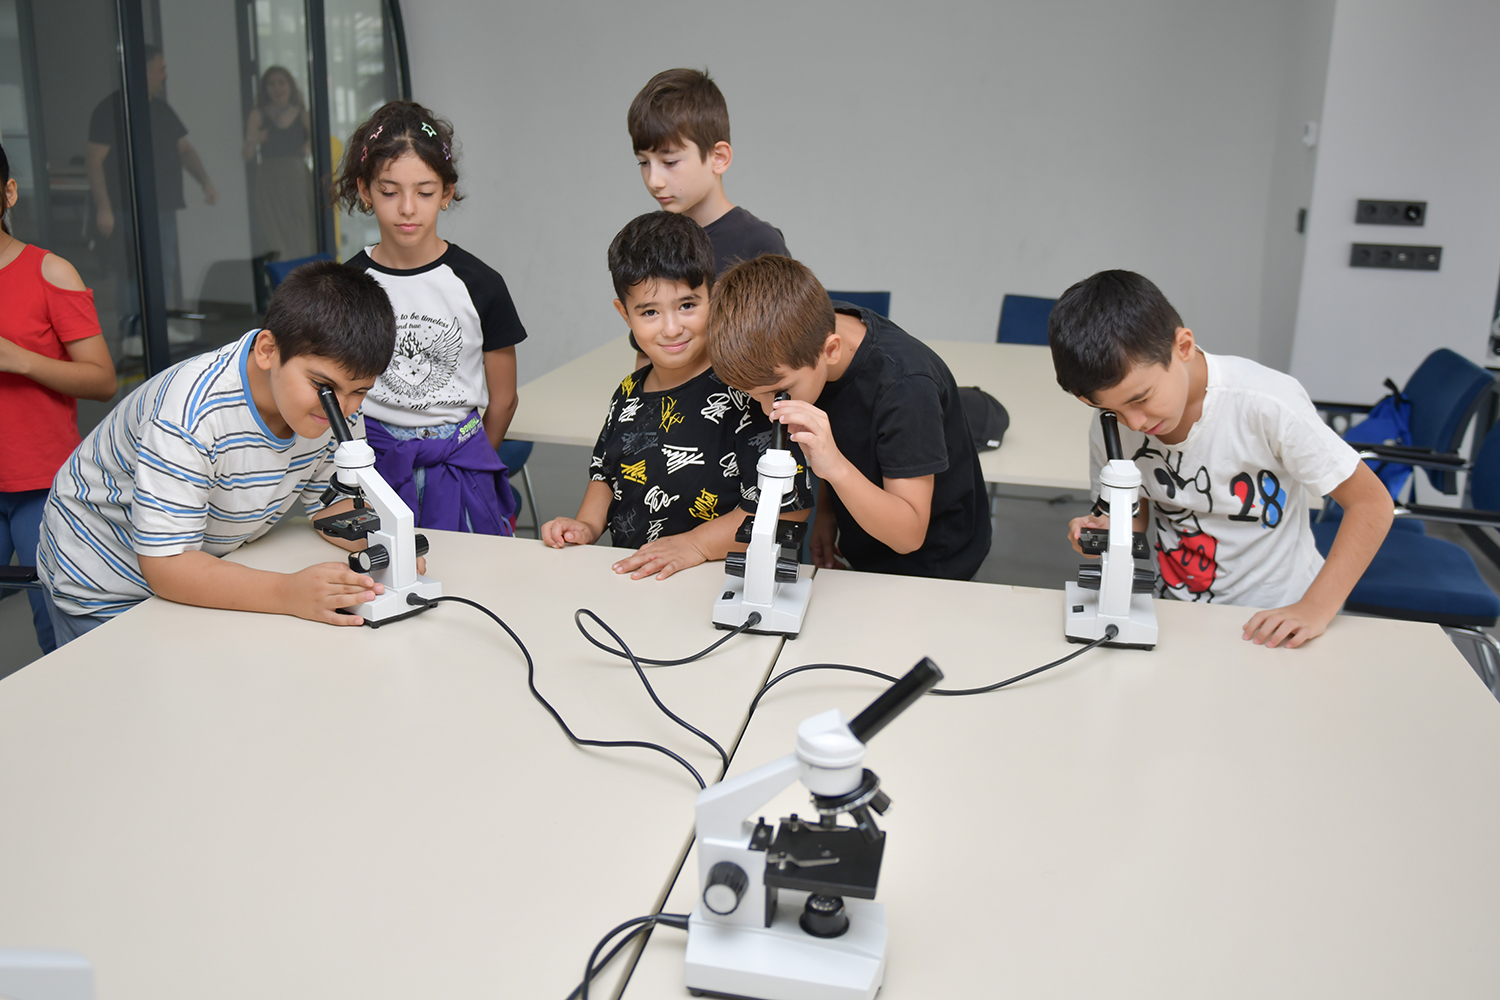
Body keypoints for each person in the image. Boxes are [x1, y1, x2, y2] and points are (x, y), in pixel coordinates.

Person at [36, 261, 401, 647]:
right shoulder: (189, 416)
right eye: (323, 386)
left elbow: (330, 509)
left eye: (360, 391)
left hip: (201, 560)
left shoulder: (335, 401)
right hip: (106, 578)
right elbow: (168, 566)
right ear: (267, 350)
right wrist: (288, 593)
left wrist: (386, 550)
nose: (344, 410)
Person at [1047, 269, 1393, 649]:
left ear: (1183, 347)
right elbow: (1137, 517)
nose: (1134, 423)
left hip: (1279, 621)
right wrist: (1106, 529)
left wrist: (1315, 607)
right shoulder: (1112, 421)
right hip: (1176, 615)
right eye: (1109, 408)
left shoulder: (1267, 404)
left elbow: (1371, 504)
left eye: (1141, 399)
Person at [541, 212, 811, 580]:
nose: (672, 328)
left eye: (687, 305)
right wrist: (585, 527)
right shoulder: (628, 394)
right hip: (639, 581)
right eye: (649, 311)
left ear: (713, 296)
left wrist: (696, 544)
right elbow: (605, 474)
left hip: (720, 583)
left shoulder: (748, 392)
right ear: (625, 314)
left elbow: (787, 509)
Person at [707, 254, 992, 581]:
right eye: (751, 394)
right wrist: (825, 513)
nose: (767, 410)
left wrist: (835, 468)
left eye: (778, 393)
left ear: (831, 351)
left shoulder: (905, 387)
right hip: (863, 532)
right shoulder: (803, 332)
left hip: (933, 560)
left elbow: (909, 534)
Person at [335, 101, 524, 536]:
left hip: (460, 465)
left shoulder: (480, 283)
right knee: (378, 580)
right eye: (389, 191)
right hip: (373, 464)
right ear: (364, 190)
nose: (407, 208)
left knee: (473, 581)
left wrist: (470, 458)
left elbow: (505, 398)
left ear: (446, 192)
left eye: (424, 192)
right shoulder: (347, 285)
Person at [0, 142, 118, 654]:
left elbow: (102, 380)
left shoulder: (50, 272)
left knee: (57, 625)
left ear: (8, 193)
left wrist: (21, 360)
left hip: (40, 483)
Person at [624, 68, 789, 368]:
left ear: (719, 158)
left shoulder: (758, 244)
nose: (654, 180)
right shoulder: (652, 244)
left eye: (669, 161)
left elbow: (784, 356)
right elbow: (647, 357)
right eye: (644, 163)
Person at [86, 44, 217, 320]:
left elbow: (185, 151)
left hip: (163, 206)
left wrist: (204, 181)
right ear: (142, 71)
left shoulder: (160, 110)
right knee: (132, 271)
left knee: (163, 267)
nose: (165, 75)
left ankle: (158, 325)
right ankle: (134, 331)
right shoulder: (110, 109)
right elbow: (94, 161)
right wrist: (104, 208)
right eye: (161, 69)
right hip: (126, 208)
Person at [243, 66, 316, 262]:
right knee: (273, 231)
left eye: (281, 82)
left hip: (297, 177)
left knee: (302, 228)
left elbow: (317, 142)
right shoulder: (258, 114)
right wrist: (254, 140)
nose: (277, 88)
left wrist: (309, 144)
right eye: (271, 84)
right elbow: (246, 154)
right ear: (265, 89)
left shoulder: (302, 113)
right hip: (270, 178)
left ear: (290, 86)